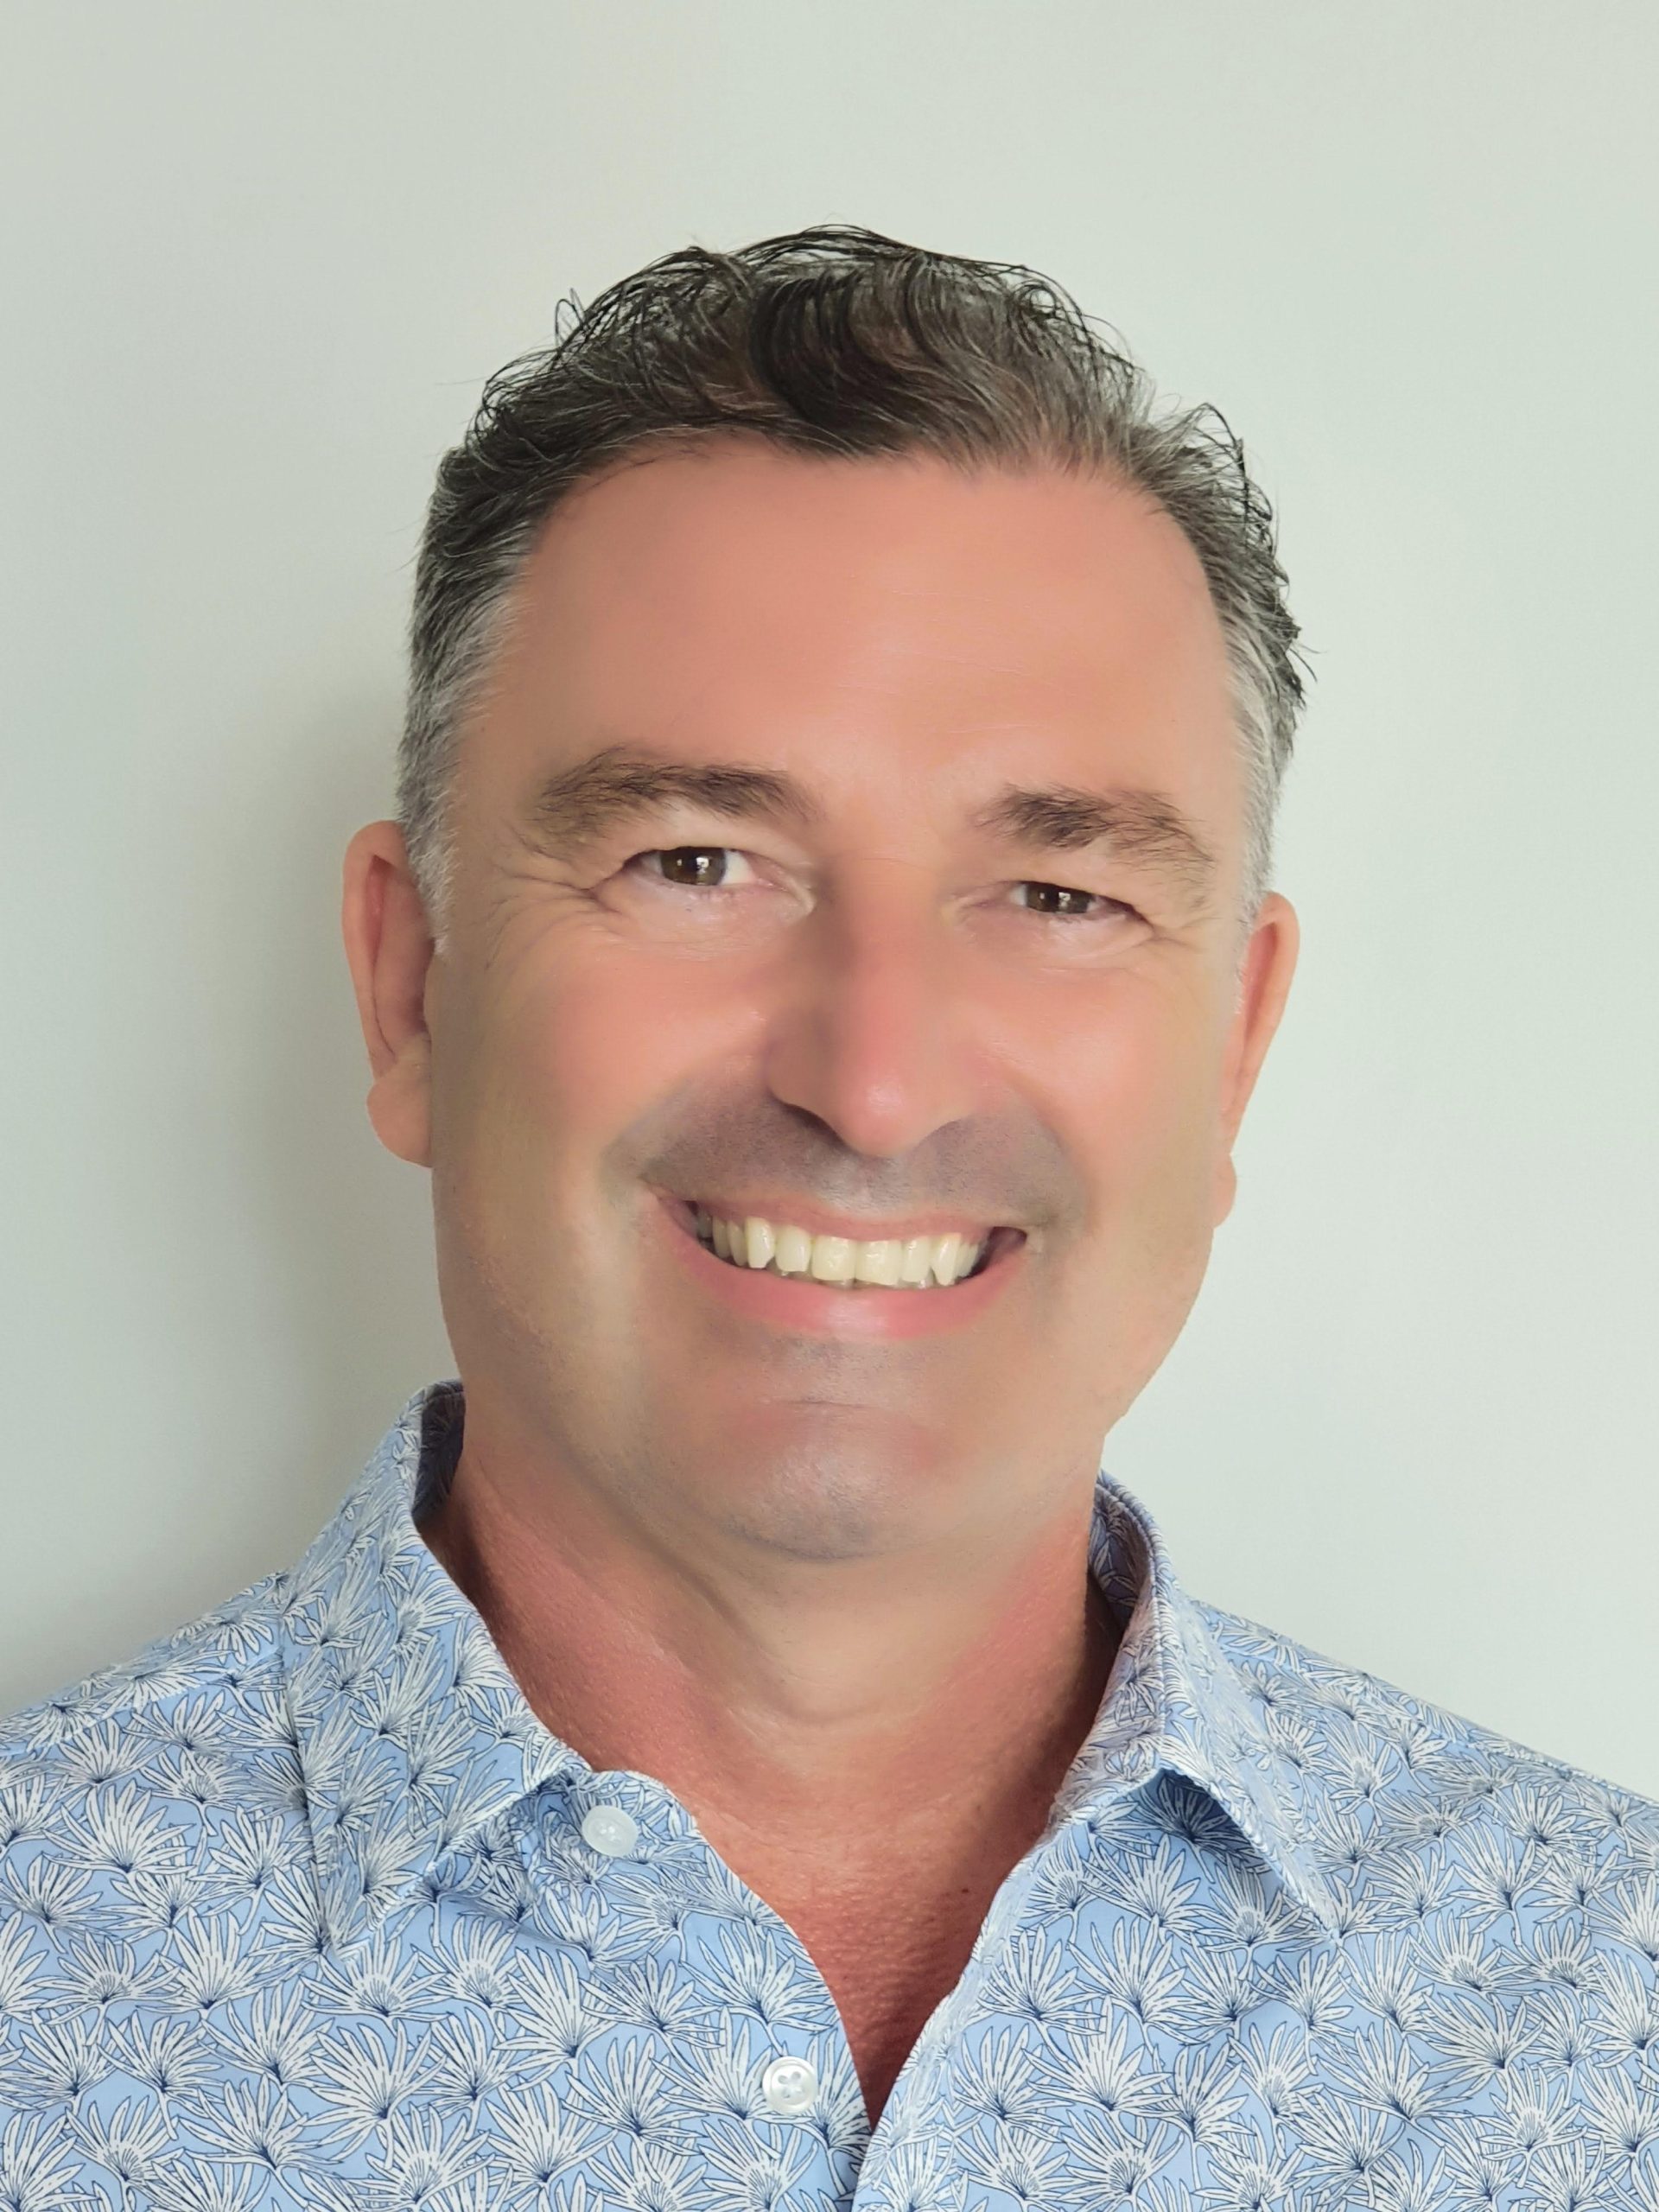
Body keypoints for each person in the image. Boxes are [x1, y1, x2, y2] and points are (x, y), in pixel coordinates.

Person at [3, 225, 1653, 2210]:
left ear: (1234, 1043)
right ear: (411, 983)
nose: (874, 1079)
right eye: (700, 858)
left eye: (1058, 895)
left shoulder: (1603, 2024)